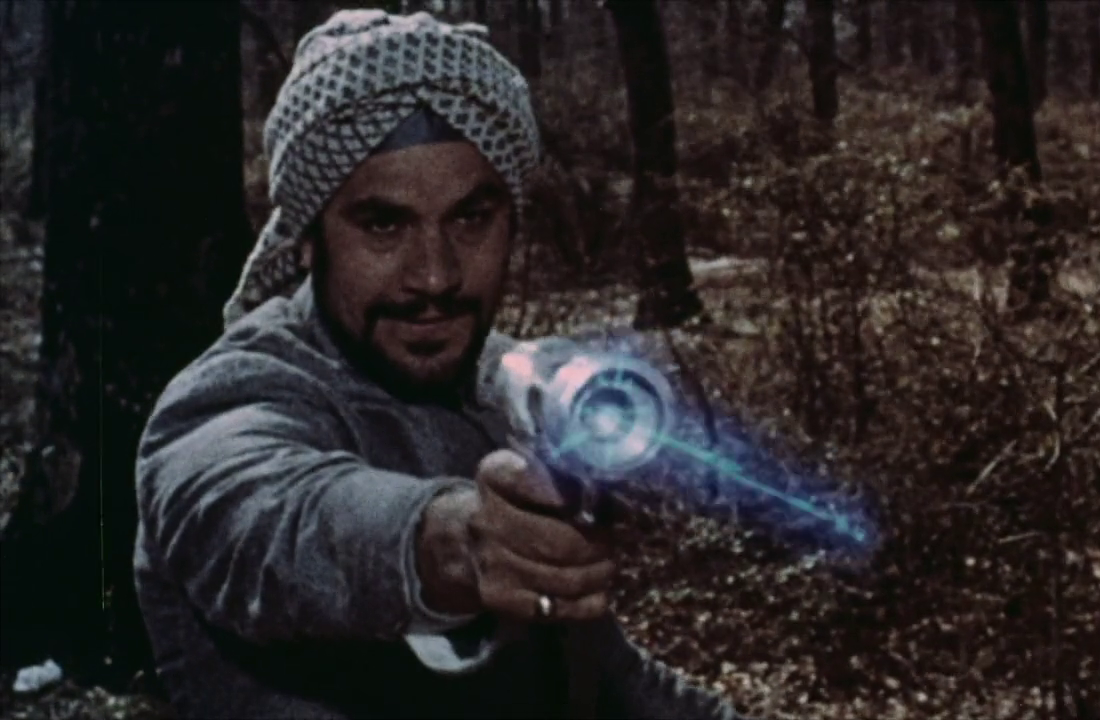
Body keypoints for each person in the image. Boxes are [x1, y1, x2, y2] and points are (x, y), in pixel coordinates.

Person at [132, 9, 753, 720]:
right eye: (384, 224)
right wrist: (447, 544)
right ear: (306, 239)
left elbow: (607, 680)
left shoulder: (500, 390)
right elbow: (255, 513)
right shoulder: (235, 393)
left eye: (470, 218)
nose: (435, 275)